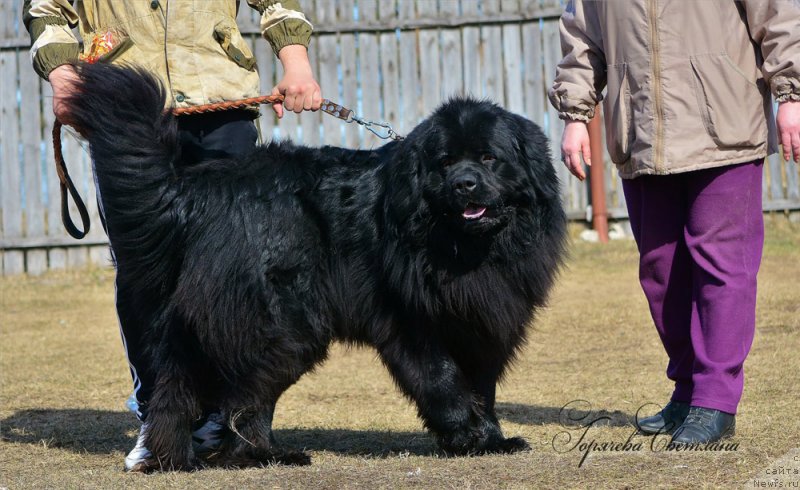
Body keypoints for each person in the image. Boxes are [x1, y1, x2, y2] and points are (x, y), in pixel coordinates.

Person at [23, 0, 322, 470]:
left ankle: (234, 420)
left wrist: (296, 61)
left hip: (221, 103)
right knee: (143, 273)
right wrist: (63, 77)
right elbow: (45, 7)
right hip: (128, 111)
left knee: (241, 275)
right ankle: (159, 420)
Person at [549, 0, 800, 444]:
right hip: (641, 130)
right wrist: (575, 114)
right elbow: (582, 35)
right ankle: (687, 392)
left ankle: (715, 401)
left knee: (722, 267)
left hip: (724, 123)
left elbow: (778, 13)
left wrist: (791, 94)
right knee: (660, 272)